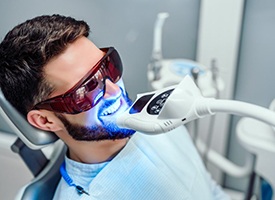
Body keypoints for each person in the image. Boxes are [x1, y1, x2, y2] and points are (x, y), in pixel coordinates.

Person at [0, 14, 230, 199]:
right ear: (45, 120)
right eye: (86, 89)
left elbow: (208, 188)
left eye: (108, 67)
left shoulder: (159, 116)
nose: (114, 90)